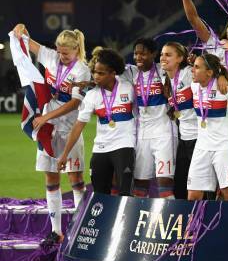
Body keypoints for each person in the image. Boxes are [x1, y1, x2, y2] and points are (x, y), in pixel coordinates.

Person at [12, 24, 90, 245]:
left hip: (69, 129)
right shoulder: (51, 57)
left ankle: (79, 230)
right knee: (51, 178)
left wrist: (46, 116)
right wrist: (21, 30)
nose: (61, 56)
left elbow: (75, 103)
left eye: (66, 53)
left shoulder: (82, 70)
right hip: (48, 130)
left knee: (75, 179)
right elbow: (28, 43)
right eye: (58, 50)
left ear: (76, 50)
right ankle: (56, 232)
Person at [58, 49, 135, 199]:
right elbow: (79, 126)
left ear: (113, 73)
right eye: (94, 72)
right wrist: (64, 155)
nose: (96, 76)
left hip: (124, 145)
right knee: (100, 194)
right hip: (101, 147)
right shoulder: (92, 95)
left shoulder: (128, 87)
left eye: (101, 73)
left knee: (125, 192)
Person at [123, 38, 175, 199]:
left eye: (143, 53)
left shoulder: (163, 70)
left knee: (164, 183)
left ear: (153, 54)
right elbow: (108, 69)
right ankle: (139, 221)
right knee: (140, 184)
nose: (138, 57)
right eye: (136, 53)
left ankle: (168, 219)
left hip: (164, 130)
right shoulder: (131, 72)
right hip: (142, 133)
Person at [188, 54, 228, 201]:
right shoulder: (194, 86)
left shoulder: (227, 88)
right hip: (202, 147)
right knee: (193, 195)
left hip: (224, 147)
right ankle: (195, 224)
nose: (193, 70)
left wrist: (222, 77)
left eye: (197, 67)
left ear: (209, 72)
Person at [160, 42, 197, 200]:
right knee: (181, 183)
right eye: (162, 54)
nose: (163, 58)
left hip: (200, 135)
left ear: (180, 58)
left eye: (168, 55)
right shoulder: (165, 81)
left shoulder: (189, 73)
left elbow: (209, 71)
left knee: (199, 183)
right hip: (184, 136)